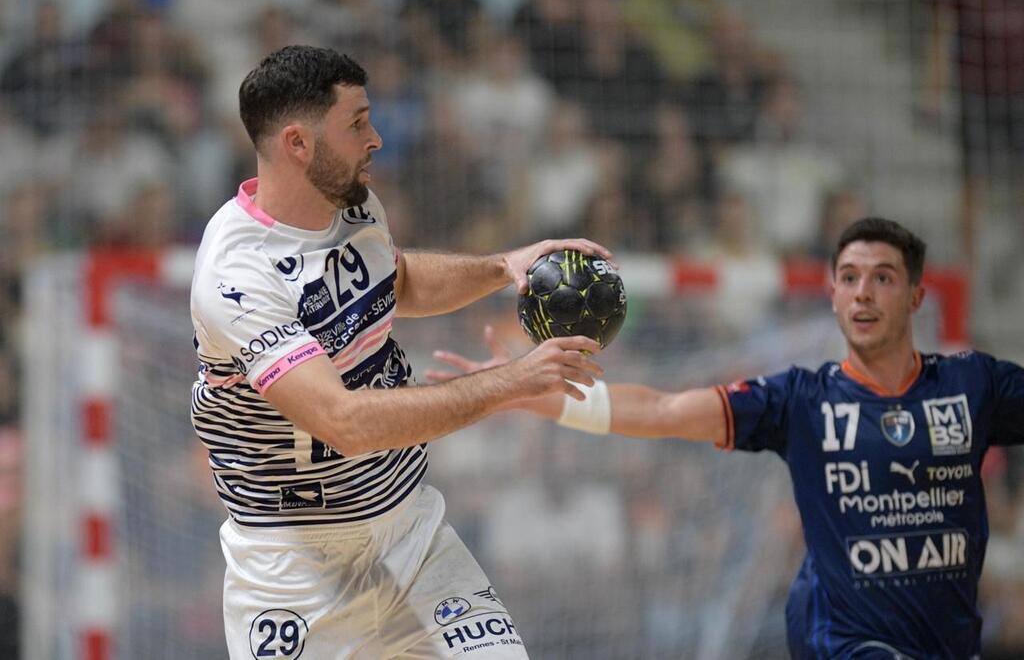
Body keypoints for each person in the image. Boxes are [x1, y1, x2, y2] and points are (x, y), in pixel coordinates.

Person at [430, 217, 1024, 659]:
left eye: (883, 278)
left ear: (917, 296)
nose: (863, 292)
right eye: (849, 278)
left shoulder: (972, 384)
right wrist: (519, 390)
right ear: (835, 297)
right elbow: (662, 409)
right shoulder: (801, 399)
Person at [189, 45, 608, 659]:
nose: (377, 138)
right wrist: (513, 383)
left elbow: (396, 280)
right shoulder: (237, 276)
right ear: (299, 144)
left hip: (412, 536)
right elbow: (345, 421)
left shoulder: (354, 203)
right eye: (357, 123)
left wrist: (501, 266)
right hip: (297, 570)